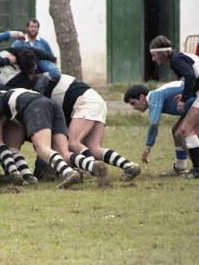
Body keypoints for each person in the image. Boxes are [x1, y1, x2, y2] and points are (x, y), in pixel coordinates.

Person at [0, 88, 108, 189]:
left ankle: (69, 173)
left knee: (43, 148)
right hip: (53, 106)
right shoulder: (22, 92)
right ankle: (92, 165)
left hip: (36, 107)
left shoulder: (1, 98)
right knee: (64, 153)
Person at [35, 74, 141, 181]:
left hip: (86, 102)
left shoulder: (42, 83)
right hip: (97, 102)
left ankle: (91, 169)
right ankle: (129, 166)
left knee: (73, 142)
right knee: (94, 148)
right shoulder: (50, 77)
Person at [149, 35, 199, 179]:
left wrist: (184, 99)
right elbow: (194, 77)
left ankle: (197, 169)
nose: (153, 59)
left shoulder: (176, 60)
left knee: (185, 130)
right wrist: (187, 94)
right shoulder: (178, 57)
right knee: (180, 131)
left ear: (161, 53)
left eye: (153, 55)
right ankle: (183, 167)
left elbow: (190, 76)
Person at [124, 82, 194, 176]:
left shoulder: (154, 96)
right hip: (192, 105)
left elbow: (154, 123)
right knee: (176, 131)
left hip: (195, 103)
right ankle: (180, 168)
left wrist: (148, 147)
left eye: (133, 103)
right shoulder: (156, 95)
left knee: (181, 132)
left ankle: (197, 167)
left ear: (142, 97)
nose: (134, 108)